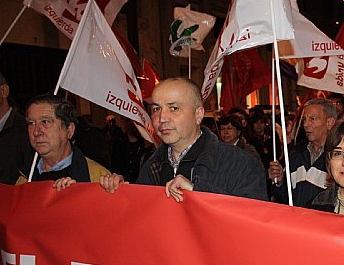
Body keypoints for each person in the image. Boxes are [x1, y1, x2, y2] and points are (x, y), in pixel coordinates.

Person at [100, 78, 268, 202]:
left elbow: (252, 223)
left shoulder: (242, 164)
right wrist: (122, 194)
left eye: (174, 108)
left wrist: (198, 194)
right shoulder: (151, 166)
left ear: (198, 115)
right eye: (157, 109)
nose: (162, 118)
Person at [16, 95, 109, 188]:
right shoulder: (24, 181)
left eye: (45, 121)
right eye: (31, 123)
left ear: (69, 130)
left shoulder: (97, 178)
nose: (36, 132)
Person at [269, 98, 336, 207]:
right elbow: (286, 199)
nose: (305, 124)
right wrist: (280, 181)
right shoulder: (297, 153)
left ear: (329, 123)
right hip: (297, 221)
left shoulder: (339, 156)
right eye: (304, 119)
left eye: (312, 119)